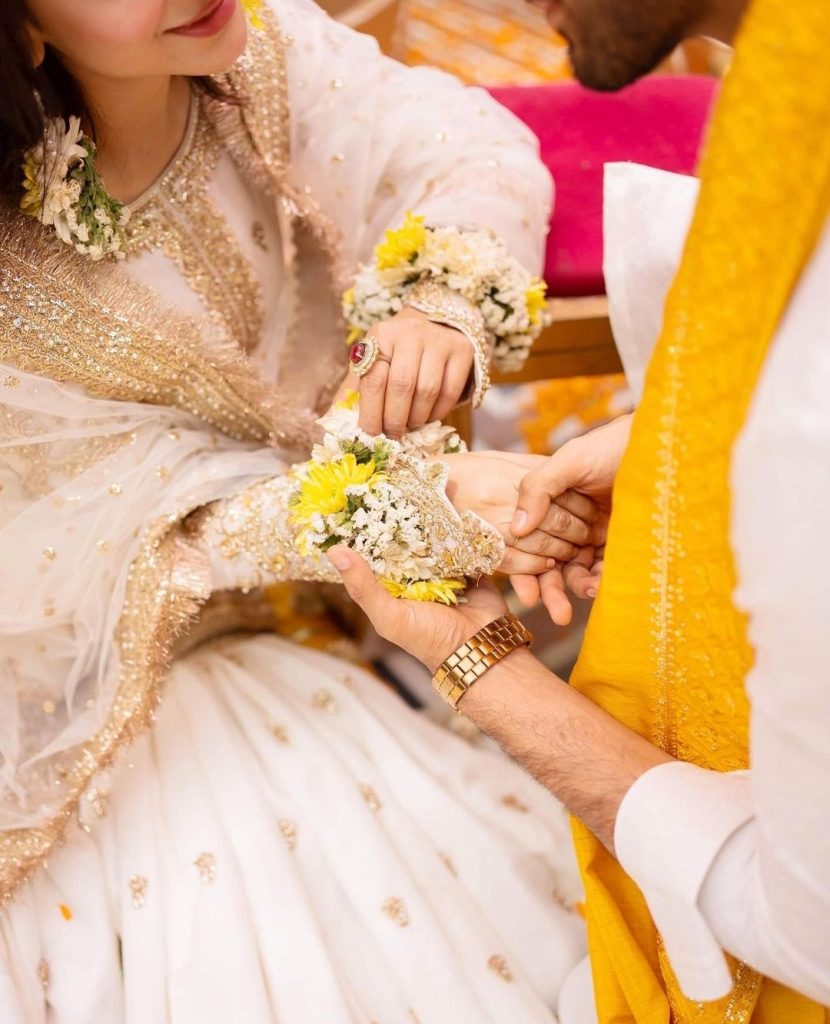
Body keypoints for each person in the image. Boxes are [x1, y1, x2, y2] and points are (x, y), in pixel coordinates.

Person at [0, 0, 599, 1018]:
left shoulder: (251, 45)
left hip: (337, 597)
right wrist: (421, 505)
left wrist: (437, 297)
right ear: (21, 30)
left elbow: (461, 146)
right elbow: (144, 534)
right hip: (136, 670)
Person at [331, 0, 830, 1020]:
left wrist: (476, 663)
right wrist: (670, 450)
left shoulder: (799, 413)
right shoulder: (789, 83)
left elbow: (808, 928)